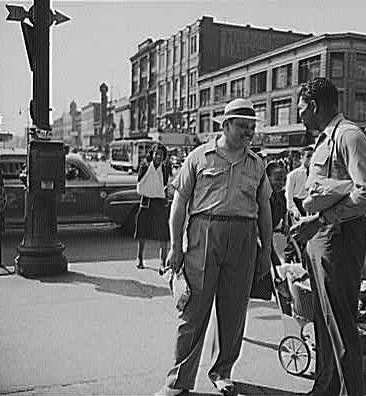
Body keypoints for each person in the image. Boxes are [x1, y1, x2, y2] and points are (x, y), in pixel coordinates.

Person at [157, 98, 272, 396]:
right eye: (242, 126)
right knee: (194, 311)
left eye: (252, 127)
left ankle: (222, 371)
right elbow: (179, 203)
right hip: (204, 234)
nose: (249, 132)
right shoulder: (199, 157)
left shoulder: (257, 164)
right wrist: (175, 246)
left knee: (233, 313)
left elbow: (264, 207)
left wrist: (266, 250)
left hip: (244, 237)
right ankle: (178, 382)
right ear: (226, 125)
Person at [292, 77, 366, 396]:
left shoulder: (348, 136)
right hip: (323, 237)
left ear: (315, 107)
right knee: (323, 320)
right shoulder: (324, 139)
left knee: (340, 323)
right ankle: (325, 388)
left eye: (301, 108)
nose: (299, 115)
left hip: (338, 237)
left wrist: (322, 219)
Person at [134, 144, 171, 272]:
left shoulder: (165, 168)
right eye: (156, 153)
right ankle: (139, 258)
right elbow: (140, 183)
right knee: (142, 231)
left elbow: (165, 184)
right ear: (152, 154)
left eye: (161, 154)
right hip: (146, 201)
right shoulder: (144, 167)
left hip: (160, 202)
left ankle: (163, 262)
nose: (158, 156)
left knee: (163, 234)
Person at [285, 147, 313, 220]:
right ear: (302, 158)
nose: (311, 159)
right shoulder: (292, 175)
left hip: (312, 208)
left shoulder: (317, 175)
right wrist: (295, 211)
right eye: (308, 156)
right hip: (298, 208)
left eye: (313, 156)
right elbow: (289, 197)